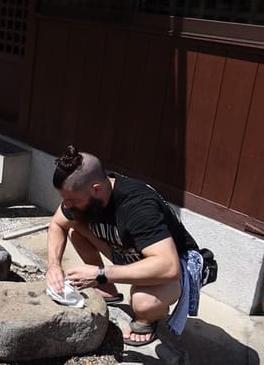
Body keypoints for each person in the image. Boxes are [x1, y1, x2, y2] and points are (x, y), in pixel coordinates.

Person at [45, 145, 204, 347]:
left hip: (178, 265)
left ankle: (147, 319)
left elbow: (168, 267)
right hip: (130, 253)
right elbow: (57, 224)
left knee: (142, 302)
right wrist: (53, 266)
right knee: (77, 231)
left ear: (96, 189)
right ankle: (107, 290)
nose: (66, 206)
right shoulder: (88, 195)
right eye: (64, 199)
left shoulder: (137, 207)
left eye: (72, 200)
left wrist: (100, 273)